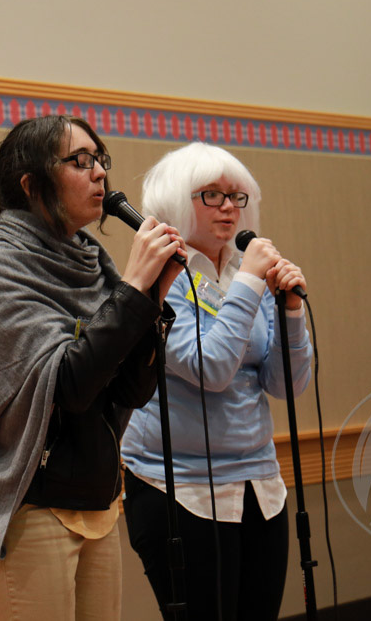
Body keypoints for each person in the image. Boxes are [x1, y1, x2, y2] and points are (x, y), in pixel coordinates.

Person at [0, 115, 186, 620]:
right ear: (31, 184)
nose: (100, 173)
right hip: (32, 503)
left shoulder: (92, 261)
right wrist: (132, 290)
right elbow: (69, 386)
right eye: (80, 161)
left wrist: (153, 298)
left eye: (100, 159)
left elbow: (130, 391)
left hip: (97, 497)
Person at [121, 142, 313, 621]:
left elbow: (286, 385)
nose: (229, 207)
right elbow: (210, 369)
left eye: (236, 196)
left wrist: (290, 310)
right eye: (212, 194)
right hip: (179, 491)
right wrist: (250, 282)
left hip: (259, 485)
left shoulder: (243, 270)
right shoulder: (162, 277)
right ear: (175, 200)